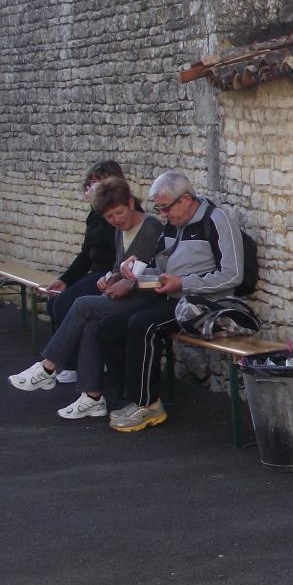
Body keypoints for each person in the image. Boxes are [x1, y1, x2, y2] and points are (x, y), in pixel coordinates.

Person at [97, 170, 244, 433]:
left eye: (165, 208)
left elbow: (233, 275)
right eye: (159, 209)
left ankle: (147, 404)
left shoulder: (217, 219)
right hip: (175, 297)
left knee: (144, 324)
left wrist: (183, 283)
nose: (163, 215)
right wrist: (136, 274)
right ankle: (129, 397)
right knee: (110, 325)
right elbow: (161, 266)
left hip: (207, 304)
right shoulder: (172, 226)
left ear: (186, 199)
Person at [8, 177, 165, 418]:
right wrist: (110, 279)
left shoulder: (150, 226)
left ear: (131, 203)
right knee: (91, 323)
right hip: (131, 297)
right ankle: (91, 396)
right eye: (109, 217)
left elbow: (141, 274)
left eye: (119, 212)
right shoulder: (119, 231)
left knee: (82, 305)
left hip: (150, 298)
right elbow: (119, 268)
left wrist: (121, 282)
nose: (116, 219)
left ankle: (48, 367)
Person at [43, 161, 128, 382]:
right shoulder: (95, 216)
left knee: (66, 304)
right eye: (91, 183)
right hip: (96, 273)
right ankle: (65, 360)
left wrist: (112, 278)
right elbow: (86, 254)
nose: (93, 188)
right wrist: (65, 280)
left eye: (100, 183)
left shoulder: (116, 216)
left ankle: (71, 363)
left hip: (109, 275)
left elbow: (120, 255)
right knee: (54, 301)